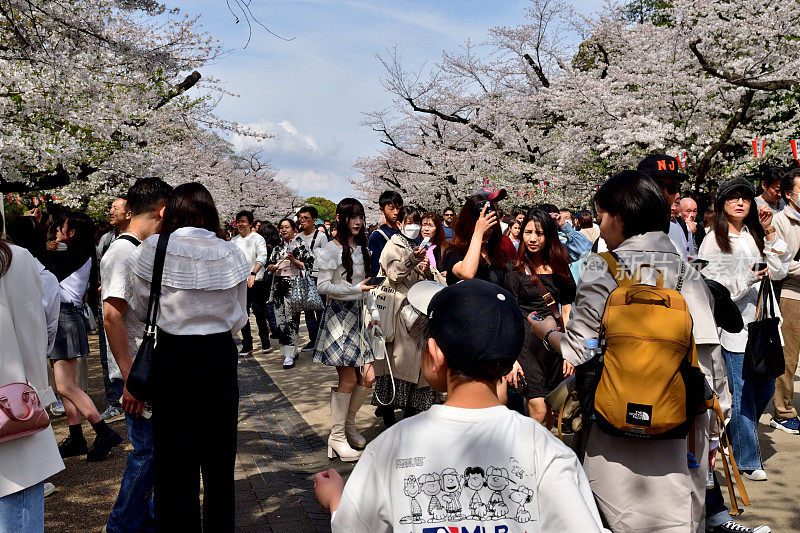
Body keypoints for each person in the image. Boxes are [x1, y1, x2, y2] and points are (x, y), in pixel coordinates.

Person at [314, 279, 606, 532]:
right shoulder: (547, 449)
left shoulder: (389, 448)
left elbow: (354, 527)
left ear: (434, 354)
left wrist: (337, 502)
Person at [528, 171, 720, 532]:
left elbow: (579, 349)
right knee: (676, 515)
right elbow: (708, 355)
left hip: (613, 420)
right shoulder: (684, 272)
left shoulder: (603, 267)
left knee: (615, 512)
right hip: (678, 422)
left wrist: (548, 333)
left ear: (619, 216)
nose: (600, 227)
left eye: (601, 217)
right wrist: (711, 431)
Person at [128, 182, 249, 531]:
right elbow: (239, 315)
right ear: (211, 213)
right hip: (218, 357)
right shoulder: (230, 252)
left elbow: (140, 309)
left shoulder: (154, 248)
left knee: (173, 462)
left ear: (171, 211)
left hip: (172, 357)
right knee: (219, 460)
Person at [698, 176, 790, 482]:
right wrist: (746, 278)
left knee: (764, 385)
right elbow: (712, 287)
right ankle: (747, 459)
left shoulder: (753, 234)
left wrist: (770, 233)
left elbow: (779, 270)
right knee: (742, 391)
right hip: (735, 326)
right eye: (733, 197)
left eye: (745, 198)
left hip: (762, 323)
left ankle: (733, 435)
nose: (740, 202)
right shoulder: (714, 239)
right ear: (723, 204)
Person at [102, 177, 173, 533]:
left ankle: (142, 521)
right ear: (162, 211)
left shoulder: (133, 250)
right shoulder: (124, 252)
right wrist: (131, 377)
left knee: (152, 453)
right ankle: (121, 525)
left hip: (140, 371)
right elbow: (111, 315)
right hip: (134, 374)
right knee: (148, 453)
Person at [0, 218, 65, 533]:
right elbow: (33, 335)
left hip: (10, 406)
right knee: (19, 505)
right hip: (10, 404)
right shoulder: (14, 259)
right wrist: (36, 394)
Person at [48, 211, 123, 462]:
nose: (57, 230)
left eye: (62, 227)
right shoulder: (82, 252)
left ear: (72, 233)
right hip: (66, 317)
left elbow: (45, 268)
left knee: (64, 386)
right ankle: (76, 436)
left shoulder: (73, 255)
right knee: (66, 384)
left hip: (64, 318)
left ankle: (102, 430)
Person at [313, 198, 380, 462]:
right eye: (353, 216)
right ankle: (337, 437)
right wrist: (355, 290)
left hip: (361, 317)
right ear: (341, 219)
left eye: (361, 216)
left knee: (369, 377)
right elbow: (322, 286)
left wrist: (374, 315)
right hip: (340, 318)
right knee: (350, 379)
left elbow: (367, 287)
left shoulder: (363, 248)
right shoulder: (330, 249)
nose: (358, 221)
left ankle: (347, 427)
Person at [503, 209, 576, 425]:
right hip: (526, 345)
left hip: (553, 343)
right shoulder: (513, 270)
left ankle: (543, 456)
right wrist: (511, 359)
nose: (533, 238)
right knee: (538, 409)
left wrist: (570, 350)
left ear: (549, 236)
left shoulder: (560, 267)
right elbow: (510, 314)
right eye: (528, 232)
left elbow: (567, 309)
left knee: (552, 411)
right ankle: (533, 457)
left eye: (540, 233)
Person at [372, 206, 440, 427]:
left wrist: (427, 269)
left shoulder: (419, 245)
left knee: (419, 370)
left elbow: (424, 276)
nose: (414, 227)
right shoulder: (392, 245)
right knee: (397, 366)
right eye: (408, 222)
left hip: (419, 310)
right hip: (400, 311)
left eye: (416, 222)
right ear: (399, 224)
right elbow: (393, 274)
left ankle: (411, 419)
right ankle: (391, 418)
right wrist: (411, 258)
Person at [96, 196, 132, 423]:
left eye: (115, 208)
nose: (110, 211)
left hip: (122, 309)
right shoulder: (107, 238)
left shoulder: (134, 242)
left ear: (129, 213)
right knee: (106, 354)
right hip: (108, 298)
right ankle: (114, 401)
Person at [771, 167, 800, 435]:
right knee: (788, 357)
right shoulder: (780, 221)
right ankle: (782, 411)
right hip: (792, 294)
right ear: (789, 195)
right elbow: (780, 263)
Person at [266, 218, 313, 369]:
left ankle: (289, 354)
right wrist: (271, 267)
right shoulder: (277, 248)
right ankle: (290, 351)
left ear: (294, 229)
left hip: (294, 286)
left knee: (292, 319)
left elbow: (309, 264)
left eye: (287, 227)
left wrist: (294, 260)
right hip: (279, 285)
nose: (284, 230)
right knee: (280, 319)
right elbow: (269, 264)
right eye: (281, 227)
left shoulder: (301, 245)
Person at [442, 193, 506, 286]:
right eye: (482, 227)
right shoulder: (454, 253)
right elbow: (467, 273)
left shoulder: (497, 254)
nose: (486, 232)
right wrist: (478, 233)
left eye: (491, 226)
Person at [637, 154, 694, 258]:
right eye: (658, 186)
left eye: (672, 187)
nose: (666, 194)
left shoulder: (675, 230)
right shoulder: (620, 231)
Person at [231, 210, 270, 356]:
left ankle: (265, 340)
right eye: (238, 221)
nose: (240, 224)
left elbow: (262, 257)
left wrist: (253, 273)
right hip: (240, 282)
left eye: (243, 221)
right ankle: (247, 344)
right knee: (243, 313)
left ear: (250, 223)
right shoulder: (234, 242)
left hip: (256, 280)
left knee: (259, 311)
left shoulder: (257, 238)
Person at [296, 205, 329, 352]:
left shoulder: (321, 237)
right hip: (303, 277)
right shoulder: (297, 237)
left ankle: (323, 339)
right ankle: (313, 339)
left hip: (318, 276)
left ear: (314, 220)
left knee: (320, 309)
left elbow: (327, 258)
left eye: (306, 218)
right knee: (308, 311)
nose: (302, 221)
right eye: (300, 218)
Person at [367, 190, 404, 275]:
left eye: (399, 208)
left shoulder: (407, 233)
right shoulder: (377, 236)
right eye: (391, 209)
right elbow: (375, 267)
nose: (396, 212)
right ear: (382, 210)